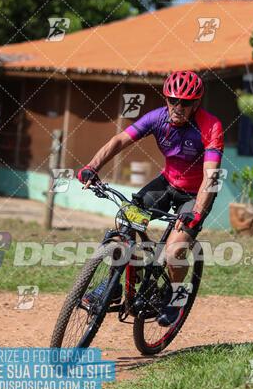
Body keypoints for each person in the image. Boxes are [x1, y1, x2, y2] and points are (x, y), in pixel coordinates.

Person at [78, 70, 224, 327]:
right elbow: (120, 140)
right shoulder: (157, 118)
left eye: (186, 102)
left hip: (196, 192)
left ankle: (177, 295)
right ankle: (112, 286)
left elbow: (211, 177)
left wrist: (197, 212)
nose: (178, 107)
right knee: (125, 221)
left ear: (196, 103)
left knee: (175, 250)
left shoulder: (210, 126)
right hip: (166, 183)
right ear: (166, 99)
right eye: (172, 100)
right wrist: (93, 166)